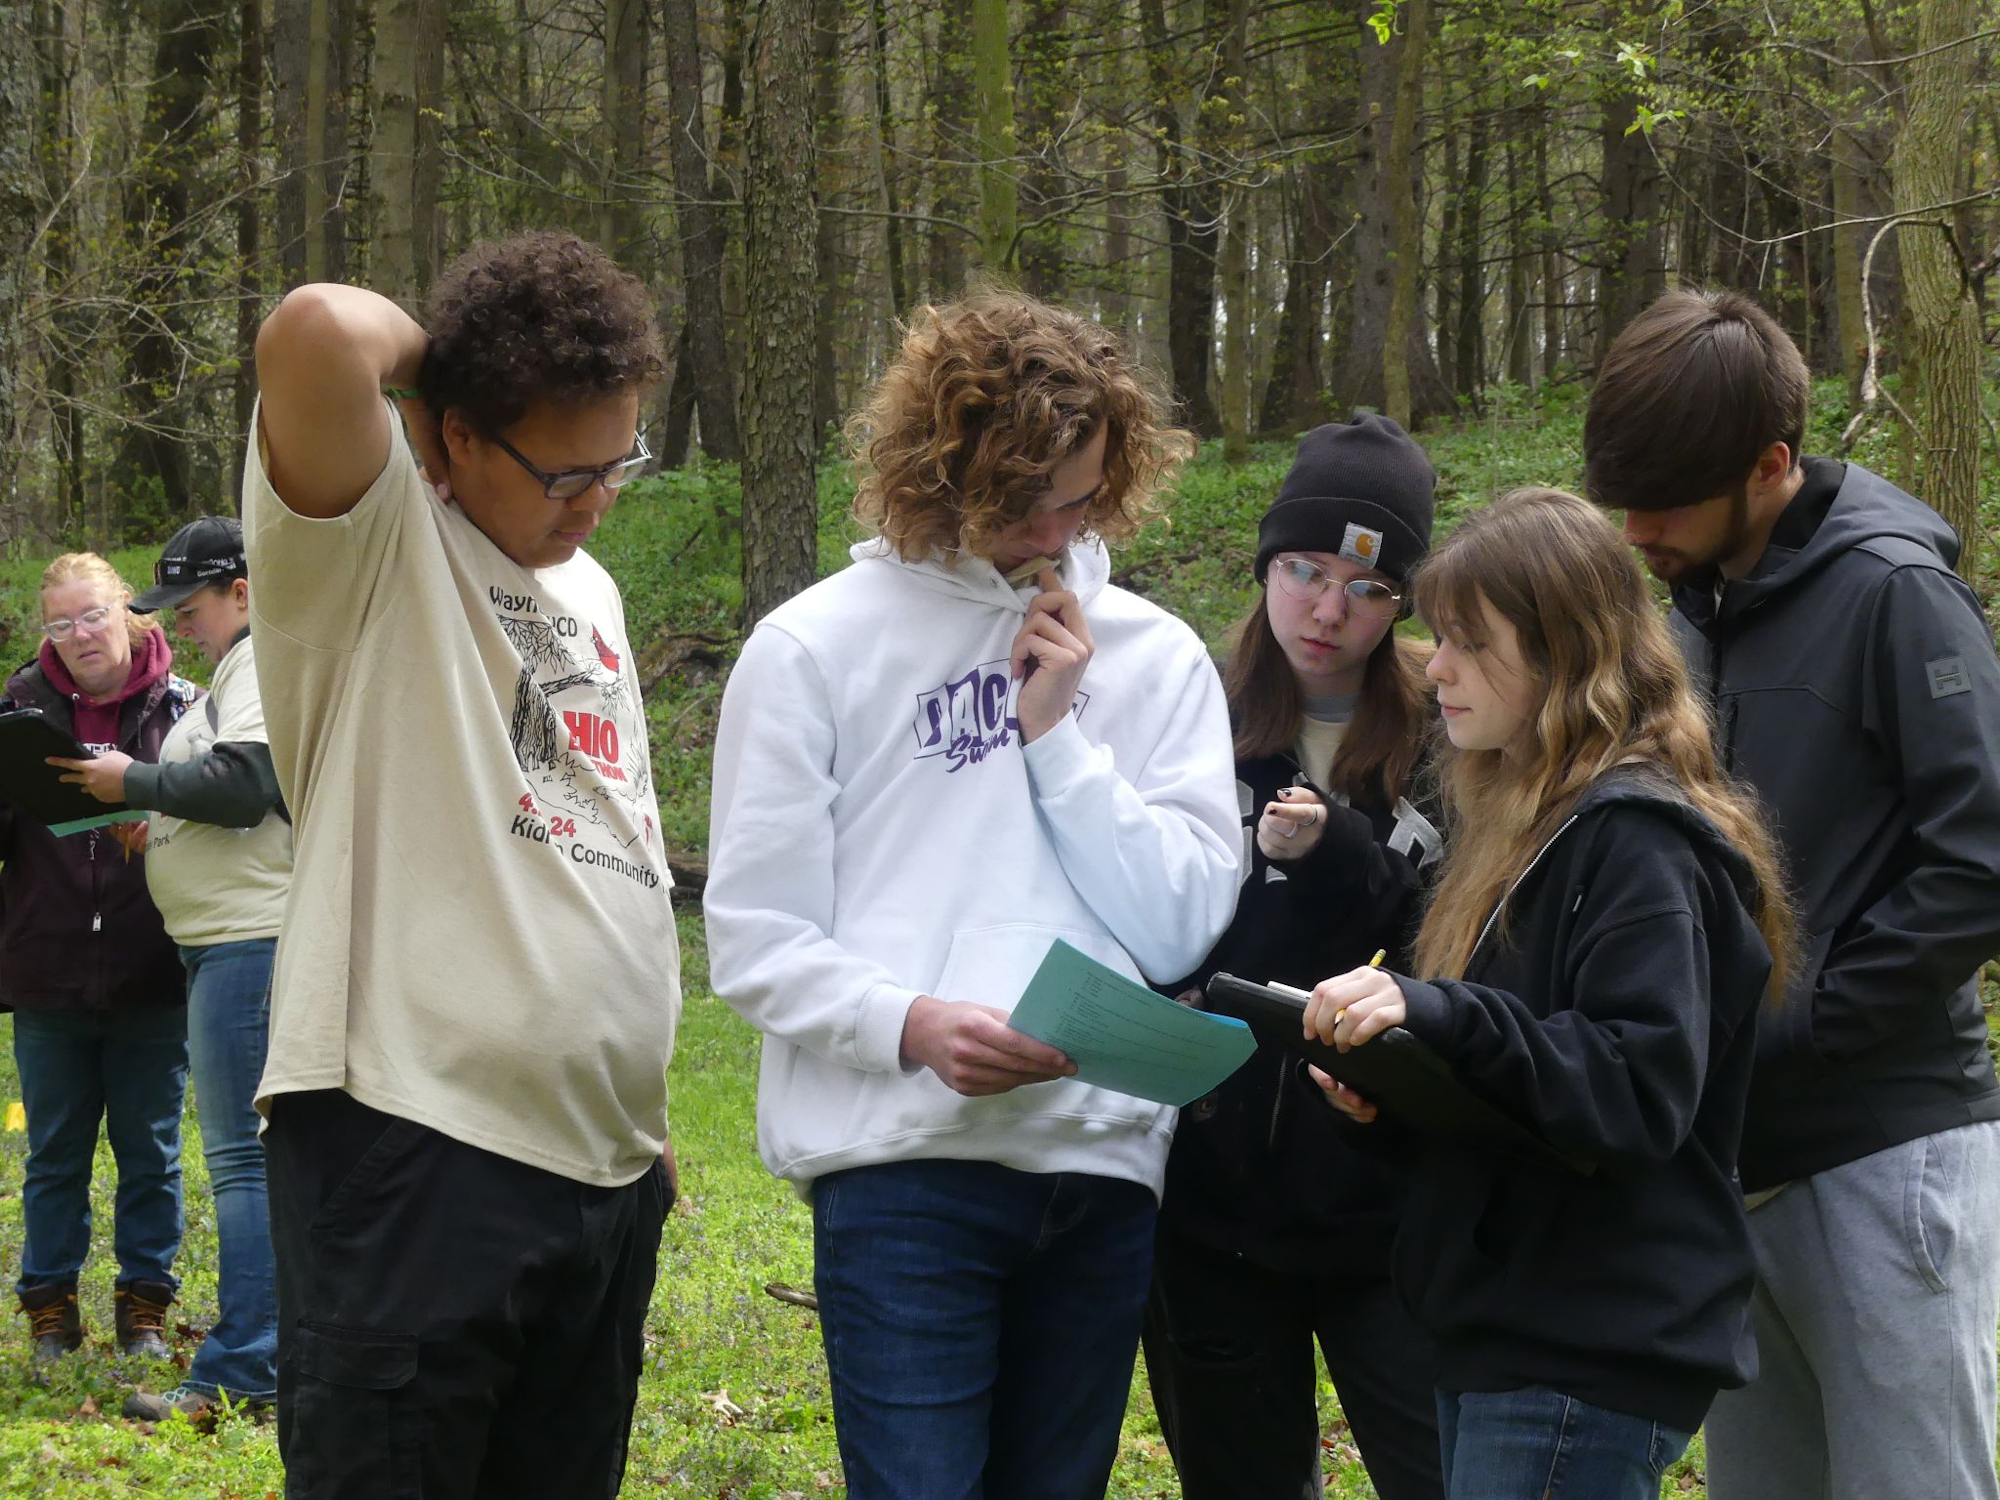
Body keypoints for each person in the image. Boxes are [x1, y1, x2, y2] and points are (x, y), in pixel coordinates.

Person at [704, 290, 1241, 1500]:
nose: (1054, 528)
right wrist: (912, 1025)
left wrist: (1055, 741)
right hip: (903, 1168)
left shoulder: (1154, 659)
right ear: (937, 473)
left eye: (1081, 495)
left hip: (1098, 1165)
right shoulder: (809, 649)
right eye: (1021, 500)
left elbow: (1181, 923)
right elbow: (753, 935)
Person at [243, 230, 682, 1496]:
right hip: (417, 1144)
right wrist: (460, 372)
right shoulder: (371, 548)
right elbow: (318, 329)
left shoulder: (587, 587)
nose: (595, 500)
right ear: (451, 438)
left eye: (620, 464)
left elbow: (611, 842)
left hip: (601, 1164)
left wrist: (634, 1108)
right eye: (564, 472)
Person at [1584, 289, 2000, 1500]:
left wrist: (1807, 1029)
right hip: (1734, 1157)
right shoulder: (1697, 606)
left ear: (1768, 465)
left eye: (1659, 501)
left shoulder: (1893, 593)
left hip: (1884, 1152)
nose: (1633, 529)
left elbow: (1980, 855)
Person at [1303, 488, 1794, 1500]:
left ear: (1564, 652)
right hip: (1504, 1330)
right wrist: (1391, 1096)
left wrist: (1436, 1013)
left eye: (1468, 643)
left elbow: (1631, 1084)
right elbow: (1522, 1103)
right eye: (1436, 636)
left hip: (1582, 1348)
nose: (1432, 666)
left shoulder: (1637, 839)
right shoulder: (1518, 826)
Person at [1140, 414, 1446, 1500]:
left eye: (1365, 588)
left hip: (1390, 1210)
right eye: (1303, 571)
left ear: (1404, 601)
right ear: (1264, 565)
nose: (1326, 611)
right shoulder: (1182, 714)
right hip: (1211, 1209)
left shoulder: (1450, 731)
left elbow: (1456, 953)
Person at [52, 517, 290, 1422]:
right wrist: (162, 820)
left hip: (252, 942)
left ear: (244, 590)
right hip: (224, 942)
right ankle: (271, 1355)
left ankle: (247, 1370)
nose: (180, 626)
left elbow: (246, 785)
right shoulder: (233, 674)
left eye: (189, 608)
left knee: (244, 1164)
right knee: (254, 1161)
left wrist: (135, 783)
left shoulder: (263, 661)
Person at [1, 553, 198, 1368]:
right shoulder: (18, 708)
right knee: (54, 1152)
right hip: (48, 969)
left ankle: (143, 1307)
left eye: (91, 615)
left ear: (128, 612)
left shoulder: (187, 710)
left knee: (151, 1149)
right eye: (59, 623)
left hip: (153, 968)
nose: (78, 635)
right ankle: (51, 1310)